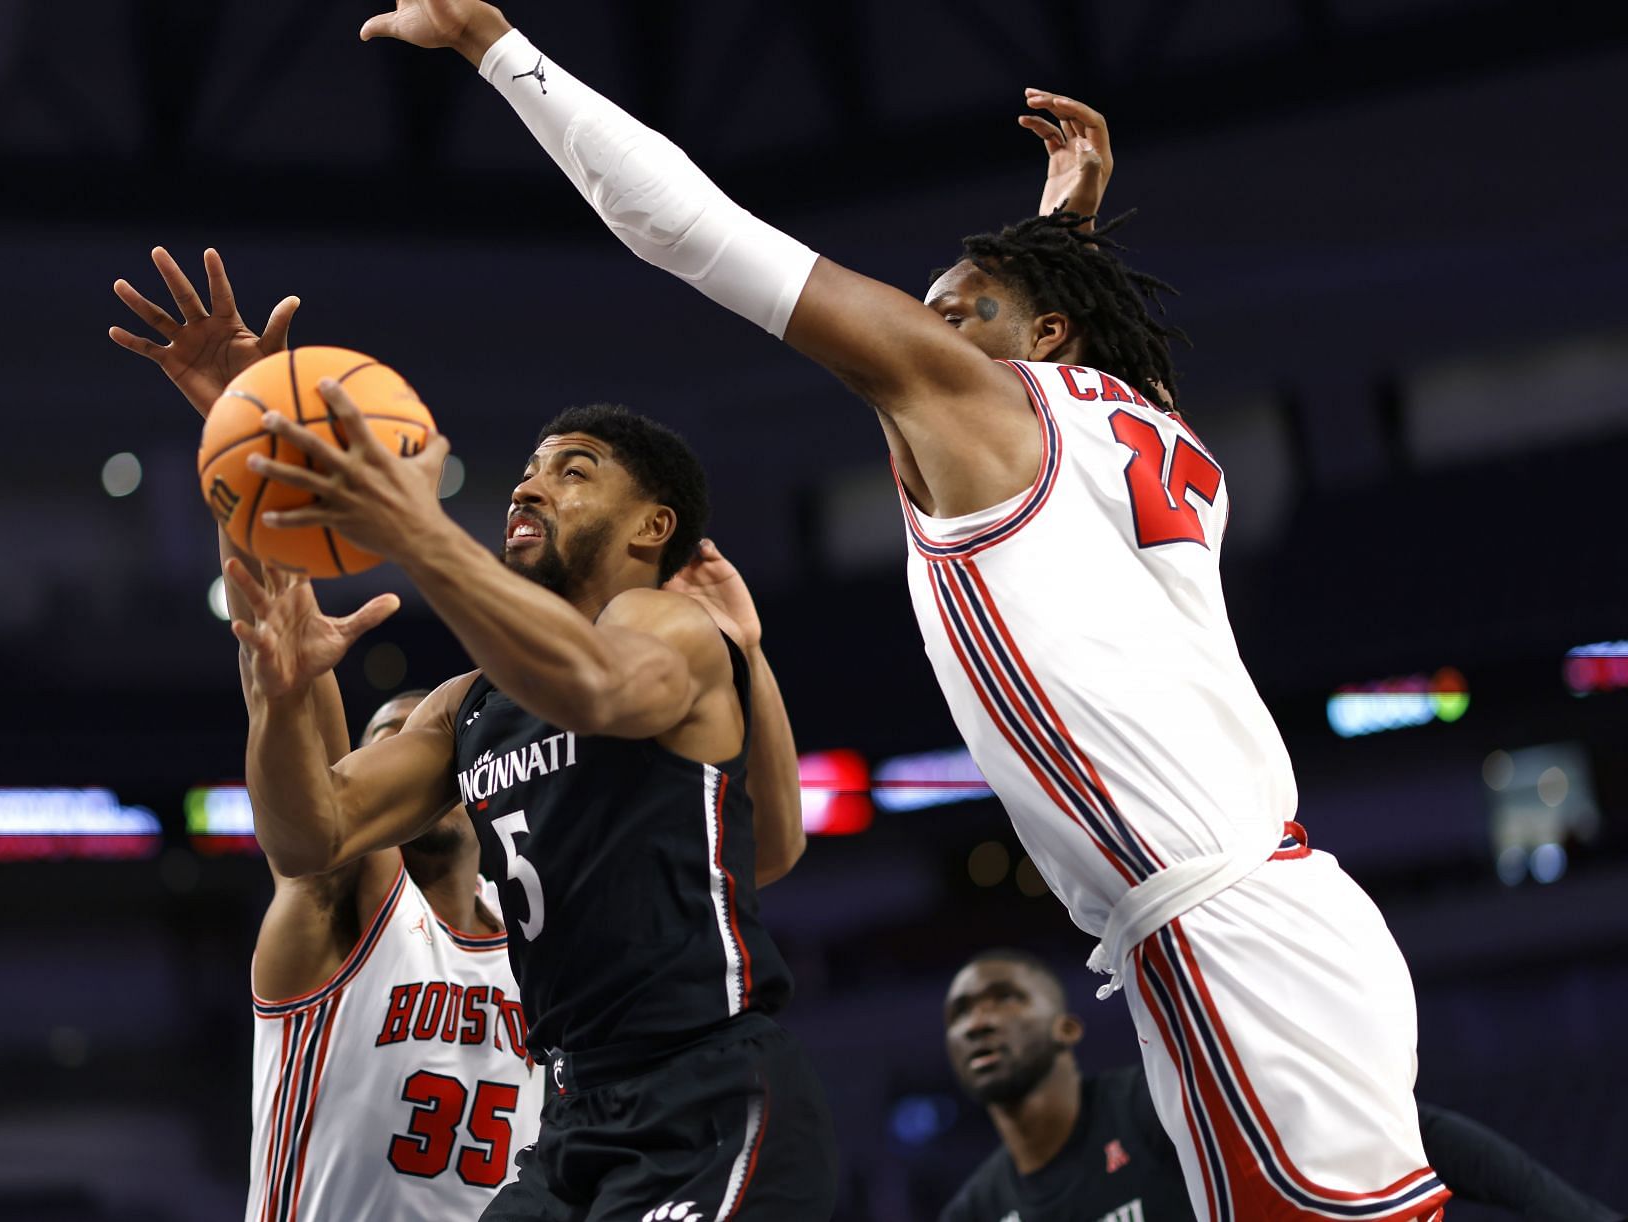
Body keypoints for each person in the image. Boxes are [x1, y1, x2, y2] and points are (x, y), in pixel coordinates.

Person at [358, 6, 1448, 1218]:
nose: (921, 337)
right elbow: (1055, 328)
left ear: (1033, 335)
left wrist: (500, 50)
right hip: (1282, 908)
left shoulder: (975, 405)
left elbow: (687, 226)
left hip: (1220, 931)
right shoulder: (1141, 413)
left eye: (952, 310)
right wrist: (1061, 228)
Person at [114, 246, 832, 1218]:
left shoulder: (666, 627)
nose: (528, 489)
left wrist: (414, 529)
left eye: (572, 473)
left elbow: (589, 683)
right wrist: (279, 692)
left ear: (652, 527)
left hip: (698, 1090)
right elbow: (310, 832)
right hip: (575, 1116)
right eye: (527, 472)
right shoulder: (473, 703)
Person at [110, 248, 542, 1221]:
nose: (390, 753)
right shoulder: (345, 902)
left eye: (410, 744)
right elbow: (295, 710)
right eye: (374, 741)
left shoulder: (543, 944)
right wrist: (246, 424)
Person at [940, 951, 1622, 1222]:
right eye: (960, 1013)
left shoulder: (1159, 1104)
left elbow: (1405, 1132)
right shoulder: (973, 1213)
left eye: (1002, 999)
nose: (977, 1023)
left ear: (1067, 1028)